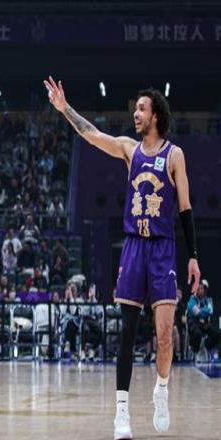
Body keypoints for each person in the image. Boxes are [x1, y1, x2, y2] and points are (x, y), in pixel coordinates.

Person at [44, 77, 201, 439]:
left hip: (163, 248)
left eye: (141, 109)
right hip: (133, 246)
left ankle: (161, 389)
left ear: (156, 115)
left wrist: (193, 256)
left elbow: (185, 209)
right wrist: (65, 109)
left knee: (165, 334)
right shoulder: (130, 150)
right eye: (135, 109)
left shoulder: (174, 155)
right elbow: (93, 136)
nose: (135, 114)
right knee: (127, 330)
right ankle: (121, 413)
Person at [186, 279, 220, 357]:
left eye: (202, 289)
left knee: (217, 333)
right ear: (196, 290)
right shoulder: (192, 300)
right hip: (193, 324)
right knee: (198, 334)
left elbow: (210, 310)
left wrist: (201, 311)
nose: (201, 290)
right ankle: (195, 351)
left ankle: (206, 346)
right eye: (199, 289)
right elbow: (197, 313)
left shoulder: (207, 300)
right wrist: (205, 311)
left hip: (204, 324)